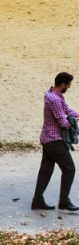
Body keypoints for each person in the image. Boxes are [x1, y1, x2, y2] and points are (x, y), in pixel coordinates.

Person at [32, 72, 79, 210]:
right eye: (68, 85)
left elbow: (66, 109)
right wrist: (73, 124)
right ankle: (64, 202)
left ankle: (37, 200)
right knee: (69, 169)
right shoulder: (56, 100)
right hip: (54, 140)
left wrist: (77, 115)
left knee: (45, 170)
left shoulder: (51, 94)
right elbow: (62, 122)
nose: (69, 87)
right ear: (63, 84)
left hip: (46, 138)